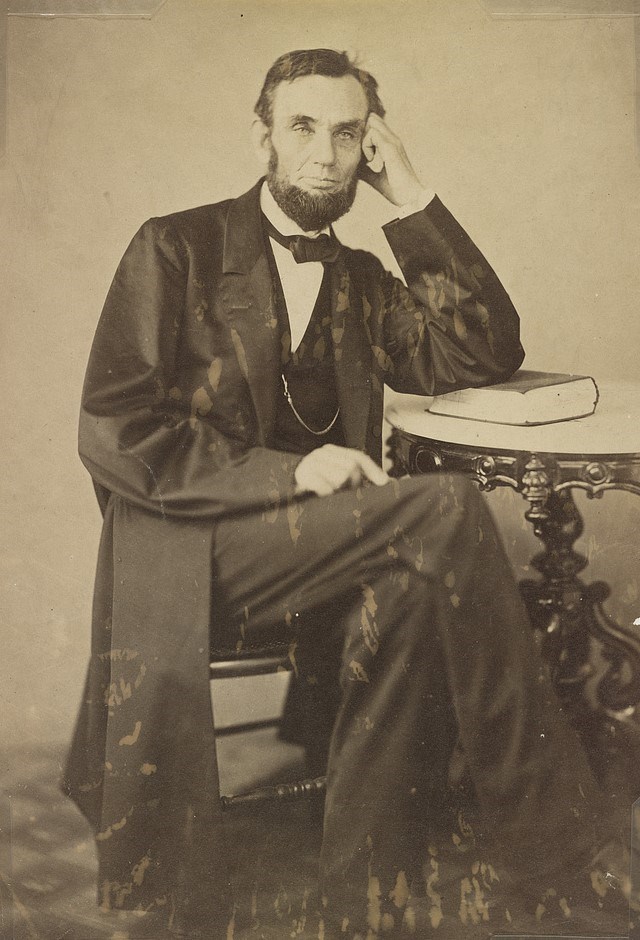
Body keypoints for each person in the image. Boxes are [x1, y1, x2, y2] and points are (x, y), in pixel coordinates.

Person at [63, 48, 629, 939]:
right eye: (302, 128)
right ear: (263, 140)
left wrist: (413, 199)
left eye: (347, 132)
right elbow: (116, 427)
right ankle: (555, 848)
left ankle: (364, 883)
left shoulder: (360, 280)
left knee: (410, 588)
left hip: (320, 553)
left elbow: (483, 352)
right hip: (194, 553)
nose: (324, 154)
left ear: (368, 147)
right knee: (443, 507)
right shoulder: (175, 245)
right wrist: (288, 473)